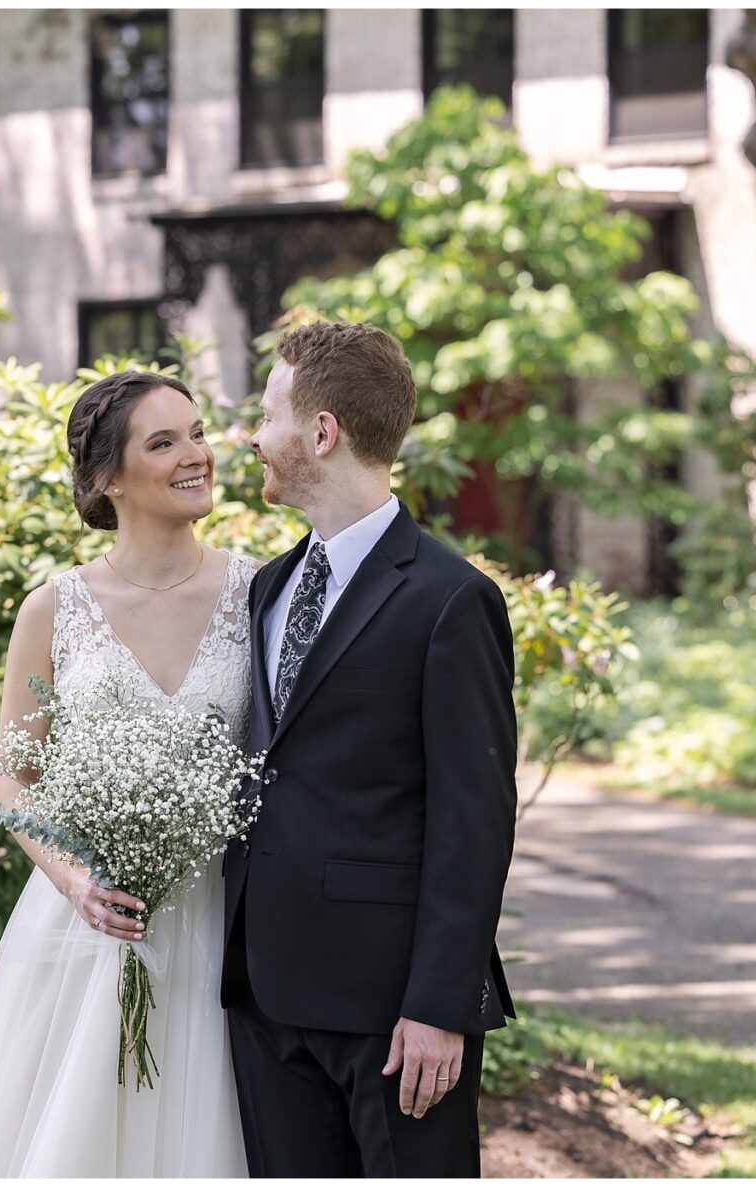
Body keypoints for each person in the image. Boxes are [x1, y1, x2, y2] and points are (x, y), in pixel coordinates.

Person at [0, 370, 253, 1176]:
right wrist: (77, 880)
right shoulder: (54, 608)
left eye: (198, 433)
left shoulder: (258, 591)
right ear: (107, 478)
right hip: (90, 922)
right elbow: (14, 776)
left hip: (222, 919)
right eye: (163, 442)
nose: (195, 455)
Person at [222, 319, 518, 1177]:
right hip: (265, 995)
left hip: (395, 1015)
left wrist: (439, 1005)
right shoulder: (268, 587)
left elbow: (476, 819)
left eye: (268, 413)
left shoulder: (449, 599)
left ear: (322, 432)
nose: (252, 435)